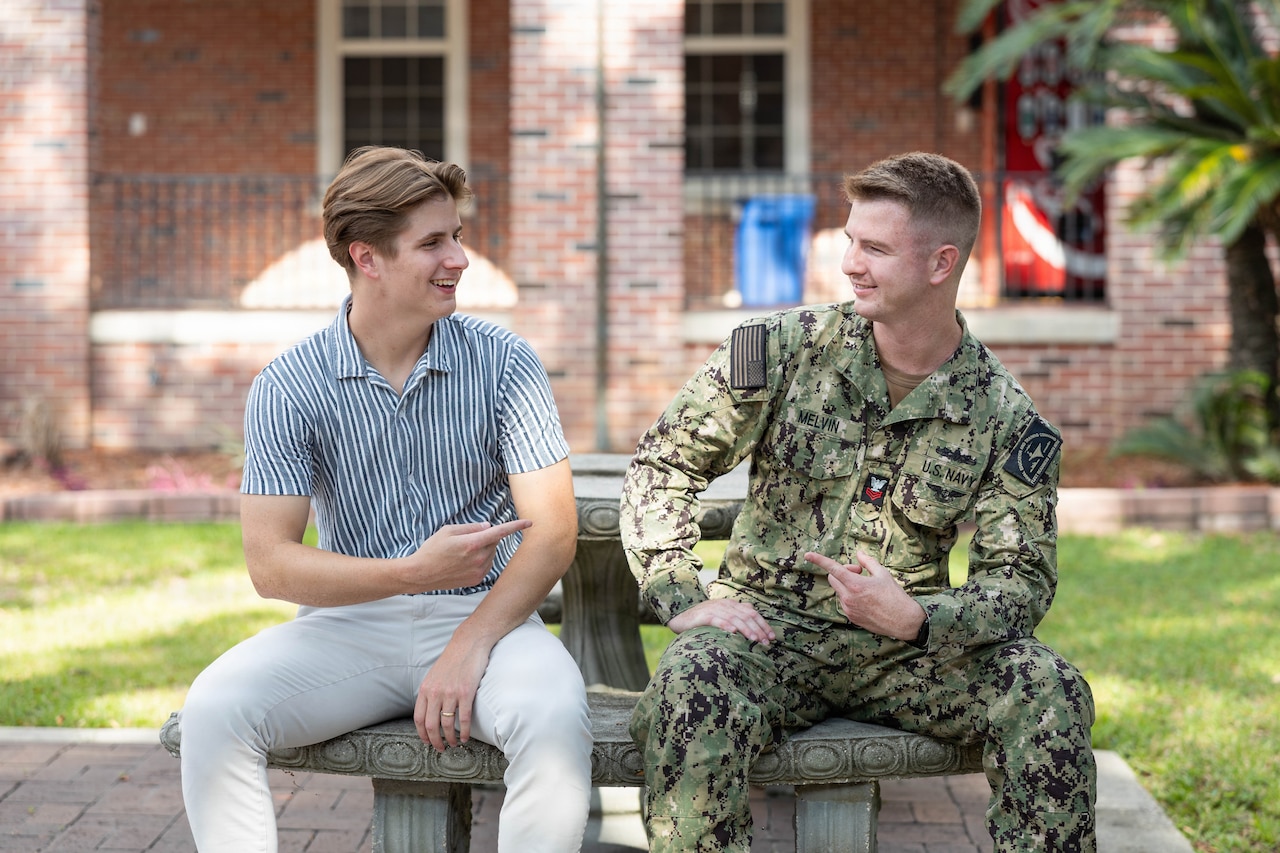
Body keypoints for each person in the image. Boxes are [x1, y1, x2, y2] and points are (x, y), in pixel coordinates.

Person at [621, 151, 1096, 852]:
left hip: (906, 651)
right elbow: (665, 462)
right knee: (693, 679)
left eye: (874, 247)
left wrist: (918, 617)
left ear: (940, 264)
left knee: (1047, 687)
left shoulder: (1005, 417)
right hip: (768, 631)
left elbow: (1020, 581)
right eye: (849, 240)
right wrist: (681, 590)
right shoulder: (782, 349)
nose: (849, 262)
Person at [177, 146, 592, 853]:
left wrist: (467, 645)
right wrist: (413, 573)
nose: (459, 258)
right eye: (433, 242)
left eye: (456, 236)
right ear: (367, 259)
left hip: (489, 622)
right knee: (215, 711)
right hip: (348, 629)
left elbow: (552, 533)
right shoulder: (290, 384)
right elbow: (271, 566)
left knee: (554, 723)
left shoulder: (505, 363)